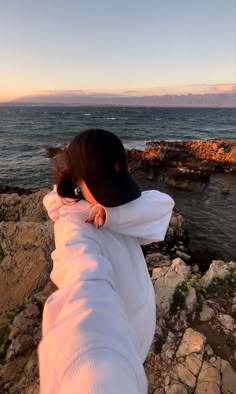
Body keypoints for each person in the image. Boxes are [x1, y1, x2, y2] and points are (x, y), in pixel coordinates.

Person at [38, 128, 175, 394]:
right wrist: (92, 362)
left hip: (133, 337)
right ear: (76, 179)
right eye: (102, 187)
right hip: (119, 338)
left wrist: (109, 213)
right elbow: (84, 277)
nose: (113, 199)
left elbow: (162, 204)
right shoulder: (73, 226)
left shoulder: (109, 210)